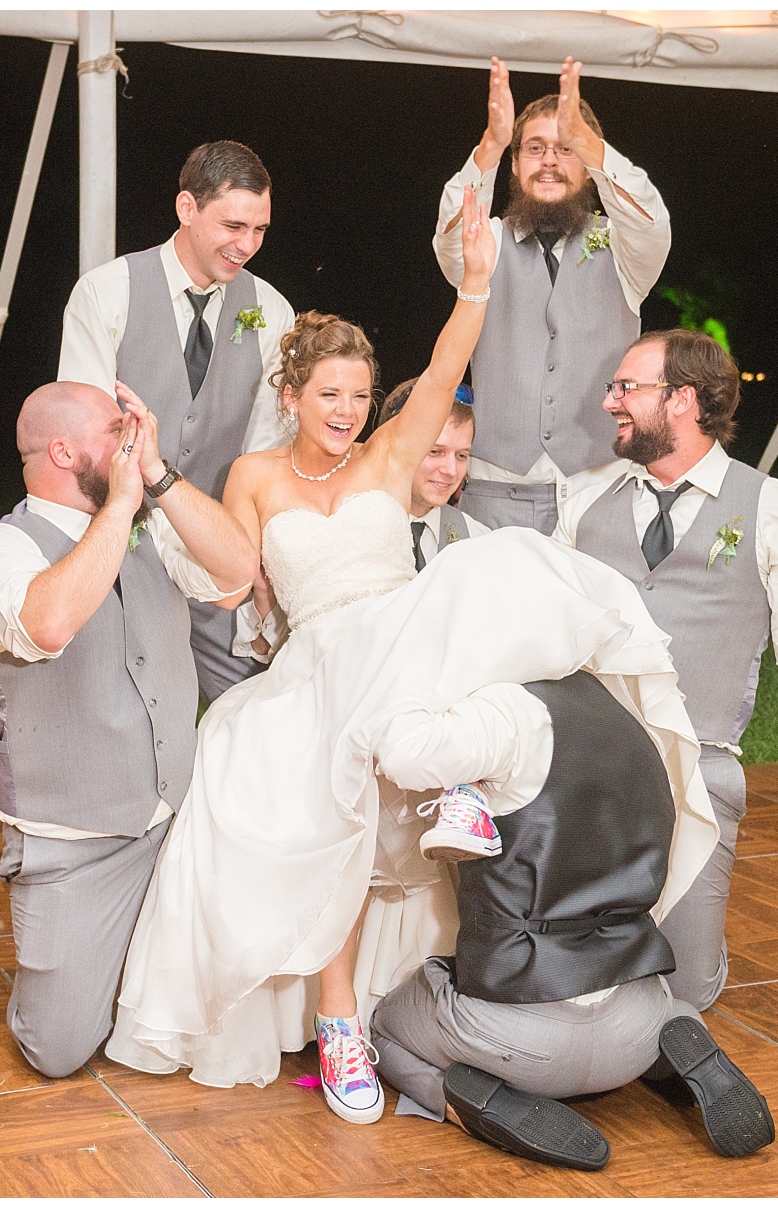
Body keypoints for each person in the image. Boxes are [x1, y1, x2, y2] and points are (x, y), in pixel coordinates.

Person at [105, 188, 713, 1130]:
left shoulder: (390, 455)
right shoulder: (256, 477)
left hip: (406, 639)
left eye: (358, 395)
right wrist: (155, 474)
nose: (347, 412)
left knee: (491, 569)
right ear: (291, 397)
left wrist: (476, 284)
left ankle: (467, 805)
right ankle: (339, 1023)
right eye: (329, 396)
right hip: (322, 663)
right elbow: (227, 567)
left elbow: (446, 366)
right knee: (314, 787)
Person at [0, 380, 255, 1078]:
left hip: (181, 822)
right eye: (117, 431)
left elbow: (238, 572)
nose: (131, 440)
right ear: (63, 451)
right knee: (57, 1050)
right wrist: (117, 506)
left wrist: (158, 476)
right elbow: (47, 624)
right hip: (74, 844)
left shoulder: (152, 529)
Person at [555, 327, 778, 1011]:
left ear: (683, 400)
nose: (609, 402)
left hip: (700, 770)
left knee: (682, 993)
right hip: (584, 771)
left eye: (626, 387)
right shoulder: (581, 499)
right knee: (573, 976)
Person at [368, 668, 771, 1170]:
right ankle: (679, 1049)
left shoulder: (497, 718)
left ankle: (478, 1105)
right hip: (635, 1023)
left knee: (384, 1027)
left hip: (518, 1039)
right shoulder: (633, 718)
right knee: (674, 1007)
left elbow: (403, 755)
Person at [60, 139, 297, 702]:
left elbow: (266, 453)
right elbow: (86, 434)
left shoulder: (272, 310)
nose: (247, 246)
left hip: (220, 554)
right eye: (233, 226)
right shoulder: (106, 293)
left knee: (255, 713)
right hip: (122, 555)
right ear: (186, 207)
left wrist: (247, 557)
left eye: (260, 230)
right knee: (125, 715)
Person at [433, 57, 669, 535]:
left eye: (566, 149)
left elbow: (652, 221)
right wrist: (491, 144)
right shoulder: (488, 241)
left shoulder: (624, 249)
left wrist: (591, 143)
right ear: (514, 164)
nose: (549, 162)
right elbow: (451, 235)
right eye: (535, 149)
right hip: (495, 495)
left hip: (600, 493)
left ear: (590, 168)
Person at [374, 379, 491, 570]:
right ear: (393, 446)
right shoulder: (350, 527)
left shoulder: (477, 539)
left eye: (461, 455)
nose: (451, 471)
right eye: (435, 452)